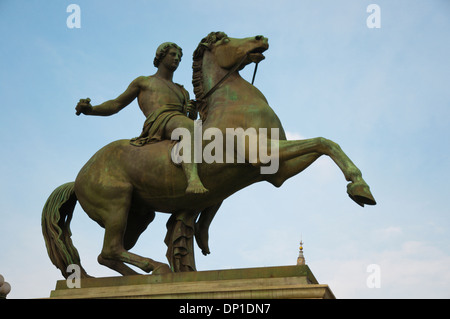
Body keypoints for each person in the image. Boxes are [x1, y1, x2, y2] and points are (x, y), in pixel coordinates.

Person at [75, 42, 208, 194]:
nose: (177, 58)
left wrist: (192, 113)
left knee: (205, 131)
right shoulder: (144, 82)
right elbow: (116, 104)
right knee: (190, 128)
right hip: (159, 120)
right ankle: (193, 180)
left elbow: (187, 117)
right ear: (161, 56)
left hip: (178, 122)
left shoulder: (182, 91)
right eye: (172, 54)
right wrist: (91, 110)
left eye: (179, 56)